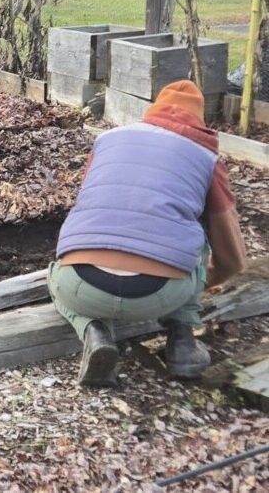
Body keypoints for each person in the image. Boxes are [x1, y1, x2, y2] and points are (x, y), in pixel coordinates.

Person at [50, 81, 248, 387]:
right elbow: (233, 257)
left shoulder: (107, 140)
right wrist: (191, 287)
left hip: (81, 283)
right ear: (199, 121)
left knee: (55, 275)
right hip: (160, 293)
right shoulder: (206, 158)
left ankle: (93, 330)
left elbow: (88, 205)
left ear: (152, 112)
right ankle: (182, 341)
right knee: (199, 240)